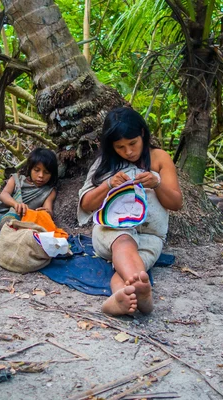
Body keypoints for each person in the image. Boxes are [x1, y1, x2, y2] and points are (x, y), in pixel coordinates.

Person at [78, 107, 182, 316]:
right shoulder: (104, 164)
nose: (128, 152)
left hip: (151, 236)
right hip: (113, 232)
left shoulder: (160, 158)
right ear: (111, 146)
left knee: (134, 274)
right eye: (120, 147)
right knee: (125, 244)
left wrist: (157, 183)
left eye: (132, 143)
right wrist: (108, 184)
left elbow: (176, 203)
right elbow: (86, 204)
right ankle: (145, 300)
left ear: (142, 133)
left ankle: (123, 299)